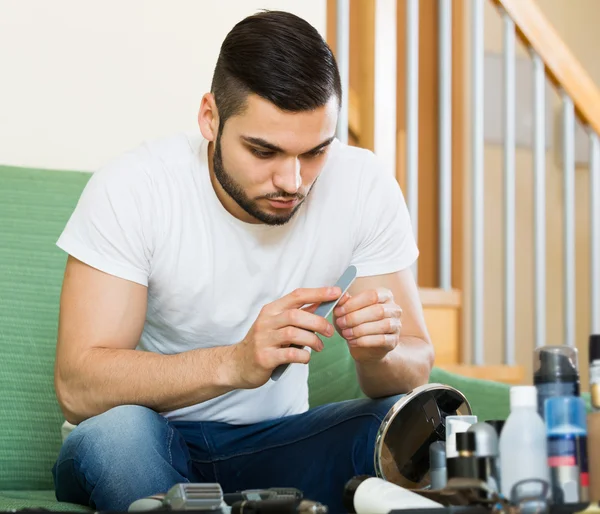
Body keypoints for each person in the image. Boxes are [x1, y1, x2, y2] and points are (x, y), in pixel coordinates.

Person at [52, 10, 434, 513]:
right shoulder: (134, 188)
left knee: (420, 422)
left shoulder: (362, 184)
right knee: (118, 435)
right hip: (149, 437)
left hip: (278, 444)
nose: (293, 181)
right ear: (210, 117)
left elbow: (414, 364)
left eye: (316, 151)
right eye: (264, 150)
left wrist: (378, 354)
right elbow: (78, 385)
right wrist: (235, 362)